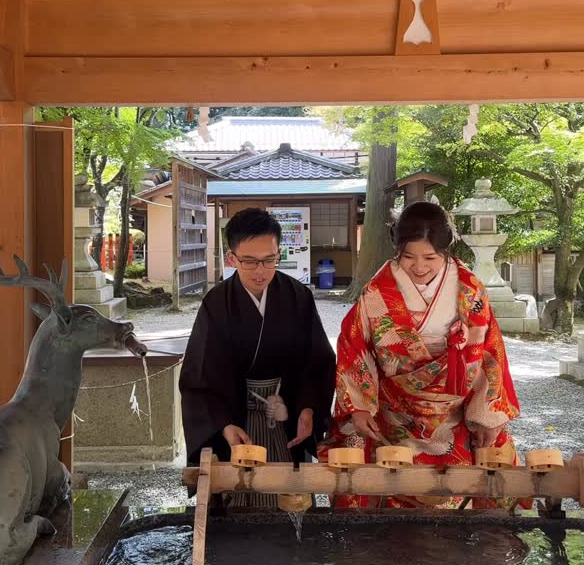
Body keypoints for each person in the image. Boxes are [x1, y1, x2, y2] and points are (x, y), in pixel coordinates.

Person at [321, 201, 523, 509]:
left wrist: (486, 414)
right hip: (393, 410)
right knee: (372, 474)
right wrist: (359, 407)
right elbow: (354, 347)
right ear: (397, 250)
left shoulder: (469, 289)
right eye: (409, 257)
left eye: (430, 257)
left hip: (455, 410)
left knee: (484, 472)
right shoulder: (378, 292)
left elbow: (489, 352)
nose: (419, 266)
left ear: (446, 252)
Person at [180, 208, 335, 506]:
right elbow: (200, 375)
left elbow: (318, 361)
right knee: (238, 500)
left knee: (290, 501)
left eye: (270, 259)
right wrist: (222, 424)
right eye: (249, 261)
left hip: (285, 414)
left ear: (279, 253)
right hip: (236, 416)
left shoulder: (297, 297)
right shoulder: (216, 303)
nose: (261, 270)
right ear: (231, 258)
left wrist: (309, 408)